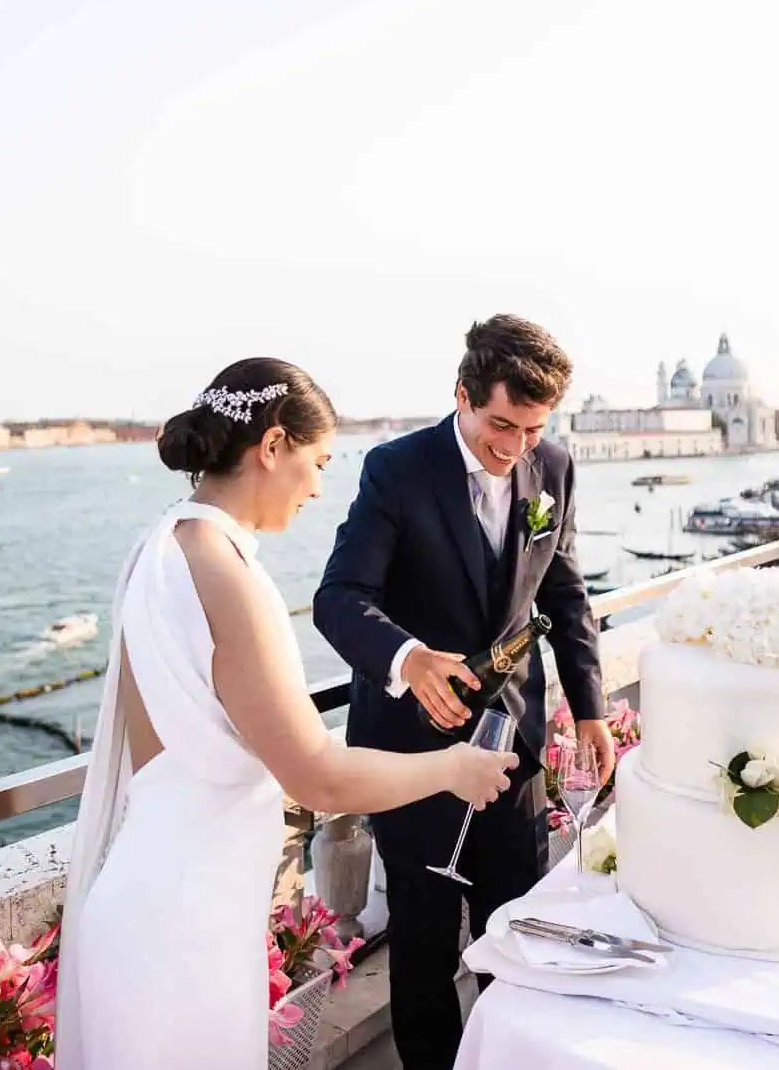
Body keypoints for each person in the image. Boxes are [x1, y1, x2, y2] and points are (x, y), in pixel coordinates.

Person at [57, 359, 517, 1070]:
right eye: (316, 461)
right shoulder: (232, 576)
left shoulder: (158, 550)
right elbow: (320, 777)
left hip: (142, 905)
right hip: (185, 930)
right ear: (272, 446)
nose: (318, 486)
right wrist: (455, 767)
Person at [314, 315, 611, 1070]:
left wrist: (591, 710)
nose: (514, 449)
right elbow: (340, 596)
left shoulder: (556, 468)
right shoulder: (396, 470)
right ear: (463, 397)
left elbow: (566, 597)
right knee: (420, 950)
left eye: (533, 429)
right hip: (410, 752)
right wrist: (409, 660)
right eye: (501, 425)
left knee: (513, 935)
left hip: (513, 748)